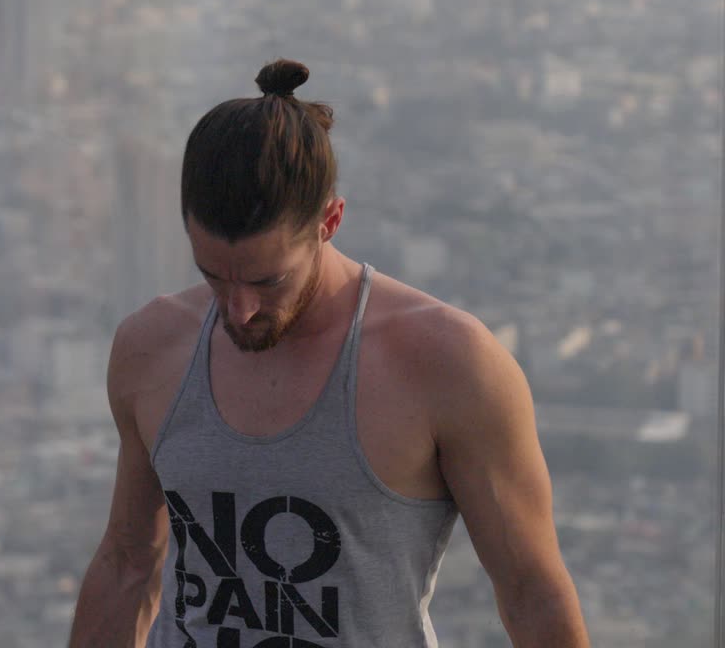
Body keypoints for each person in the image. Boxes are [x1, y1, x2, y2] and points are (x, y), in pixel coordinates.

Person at [67, 58, 590, 647]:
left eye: (267, 282)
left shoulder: (447, 362)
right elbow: (128, 564)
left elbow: (530, 592)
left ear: (331, 221)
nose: (237, 310)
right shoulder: (152, 347)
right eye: (214, 277)